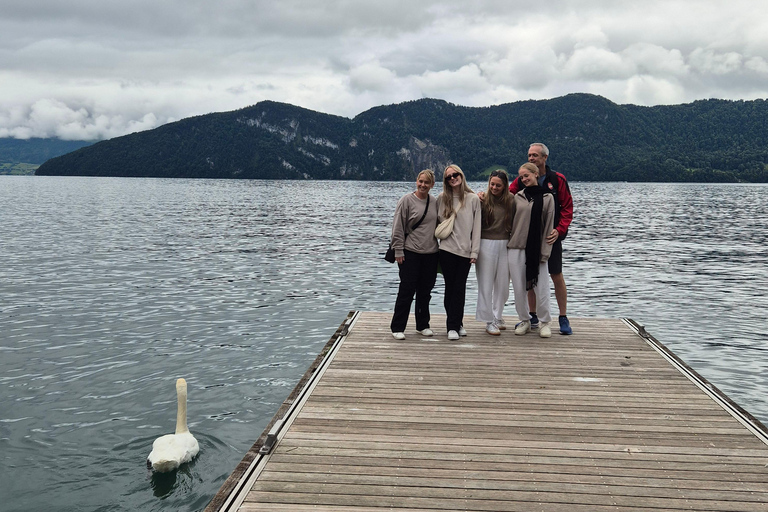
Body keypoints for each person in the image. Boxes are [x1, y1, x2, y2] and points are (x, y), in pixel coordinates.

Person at [509, 143, 574, 335]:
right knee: (530, 274)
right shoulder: (522, 179)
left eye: (535, 155)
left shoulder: (557, 179)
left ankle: (563, 317)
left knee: (556, 275)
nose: (531, 158)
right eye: (529, 155)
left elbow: (567, 208)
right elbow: (505, 196)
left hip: (550, 237)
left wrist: (559, 230)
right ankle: (532, 315)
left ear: (545, 158)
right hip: (528, 239)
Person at [389, 169, 440, 340]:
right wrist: (398, 250)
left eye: (427, 182)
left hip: (431, 253)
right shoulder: (406, 200)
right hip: (409, 252)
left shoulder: (434, 202)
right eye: (421, 181)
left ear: (432, 185)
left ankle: (422, 325)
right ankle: (397, 327)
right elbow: (398, 227)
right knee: (406, 290)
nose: (423, 185)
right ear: (416, 181)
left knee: (425, 292)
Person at [508, 163, 555, 338]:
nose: (524, 179)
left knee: (541, 288)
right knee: (519, 288)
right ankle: (525, 320)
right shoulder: (517, 197)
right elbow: (510, 221)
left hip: (537, 249)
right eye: (521, 177)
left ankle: (544, 322)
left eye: (527, 175)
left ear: (536, 174)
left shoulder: (548, 197)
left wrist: (545, 251)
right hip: (516, 247)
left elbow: (548, 225)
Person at [437, 164, 481, 340]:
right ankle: (452, 326)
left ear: (461, 176)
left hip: (465, 251)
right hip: (446, 250)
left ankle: (457, 323)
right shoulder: (441, 198)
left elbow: (477, 228)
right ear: (446, 181)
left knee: (459, 288)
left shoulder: (473, 199)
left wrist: (475, 252)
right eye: (449, 177)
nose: (453, 178)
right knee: (450, 287)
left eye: (455, 175)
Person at [475, 169, 515, 335]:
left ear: (505, 186)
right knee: (486, 283)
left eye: (498, 185)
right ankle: (488, 320)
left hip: (505, 243)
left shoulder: (511, 200)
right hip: (486, 244)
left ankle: (498, 315)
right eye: (492, 184)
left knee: (503, 285)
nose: (494, 187)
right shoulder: (482, 199)